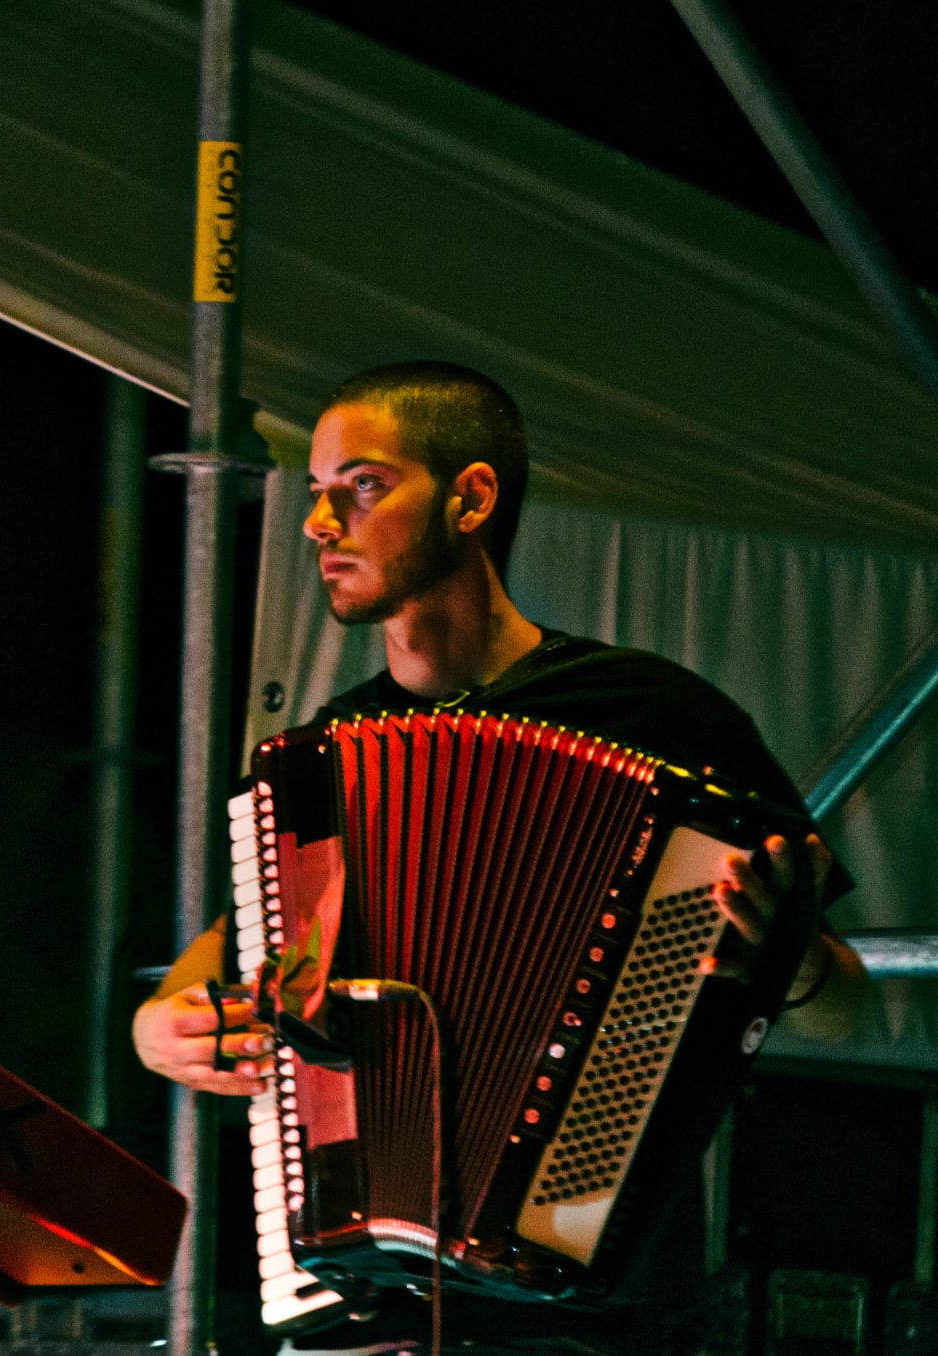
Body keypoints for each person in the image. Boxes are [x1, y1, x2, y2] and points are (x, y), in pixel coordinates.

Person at [133, 360, 864, 1355]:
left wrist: (795, 958)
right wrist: (159, 1024)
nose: (319, 523)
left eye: (363, 485)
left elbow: (844, 1008)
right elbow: (244, 939)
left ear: (471, 499)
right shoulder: (327, 760)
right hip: (376, 1307)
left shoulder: (660, 718)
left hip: (599, 1318)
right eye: (317, 491)